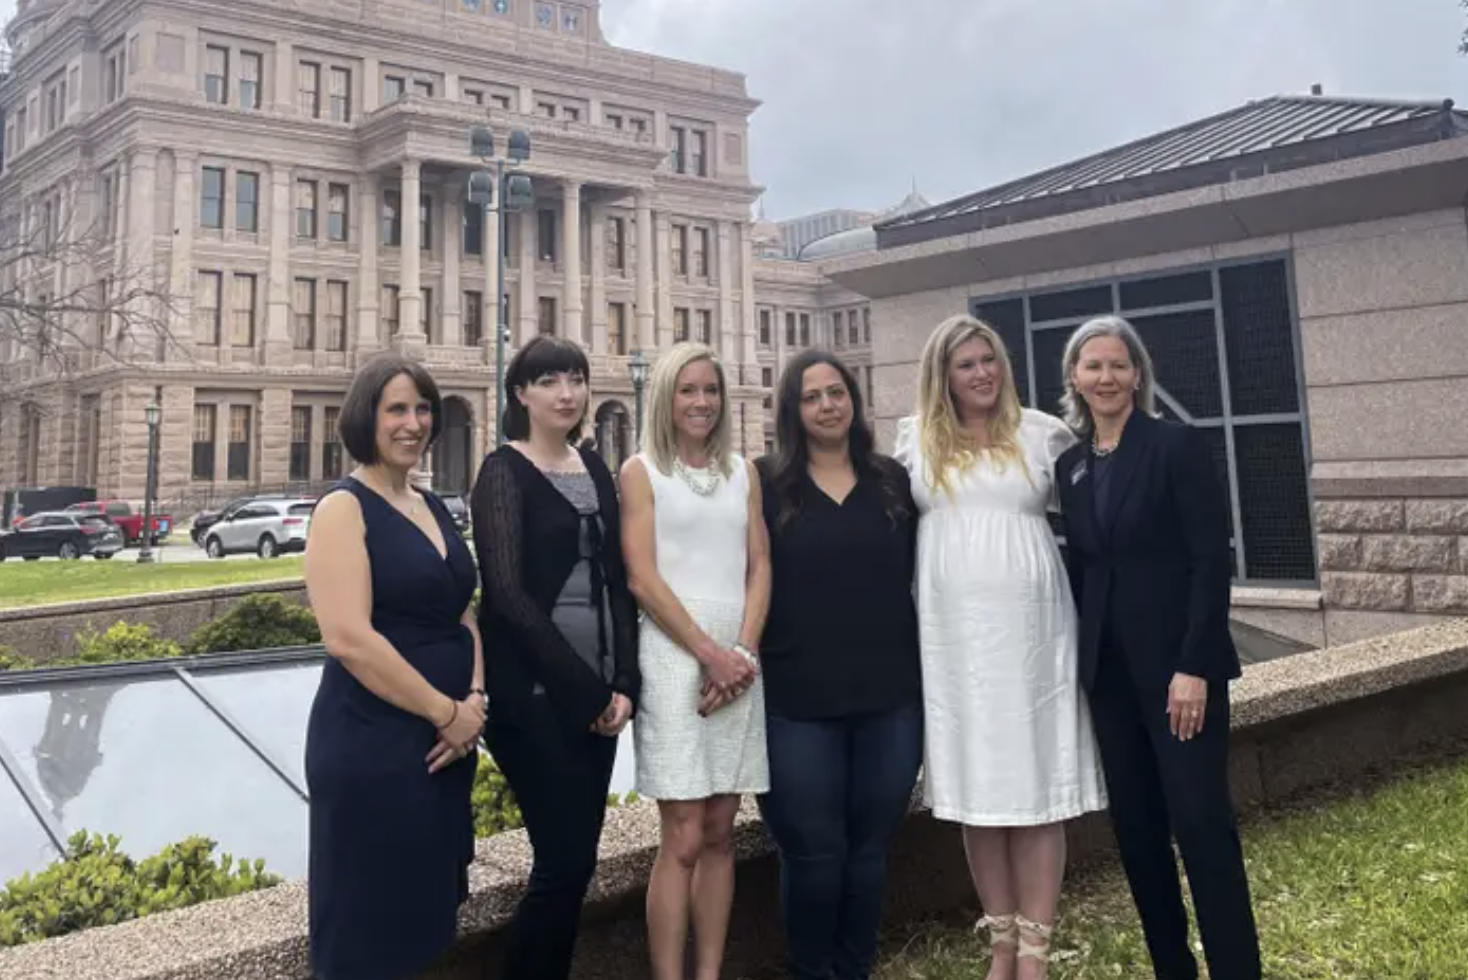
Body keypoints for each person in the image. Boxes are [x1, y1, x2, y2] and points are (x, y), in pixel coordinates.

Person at [893, 314, 1107, 980]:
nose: (982, 372)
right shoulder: (912, 443)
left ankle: (1036, 953)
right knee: (979, 790)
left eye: (989, 359)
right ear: (943, 375)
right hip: (955, 641)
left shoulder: (1044, 435)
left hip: (1034, 637)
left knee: (1036, 783)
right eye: (966, 364)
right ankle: (1002, 945)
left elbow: (1098, 523)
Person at [1054, 315, 1260, 980]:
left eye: (1118, 365)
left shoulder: (1176, 447)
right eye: (1093, 367)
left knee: (1201, 826)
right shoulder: (1071, 465)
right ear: (1075, 380)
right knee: (1138, 834)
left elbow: (1209, 560)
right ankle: (1173, 966)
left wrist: (1194, 665)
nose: (1106, 377)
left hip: (1179, 676)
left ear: (1136, 375)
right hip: (1109, 679)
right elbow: (1085, 570)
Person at [303, 355, 485, 980]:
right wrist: (446, 712)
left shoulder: (430, 505)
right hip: (375, 743)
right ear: (366, 418)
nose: (413, 423)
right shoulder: (342, 508)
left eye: (423, 409)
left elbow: (461, 613)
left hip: (444, 743)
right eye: (397, 409)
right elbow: (349, 638)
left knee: (423, 925)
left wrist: (476, 700)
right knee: (368, 931)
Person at [470, 336, 641, 980]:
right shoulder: (503, 472)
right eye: (548, 381)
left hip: (600, 697)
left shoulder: (594, 468)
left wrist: (623, 682)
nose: (565, 393)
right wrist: (588, 694)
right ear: (521, 394)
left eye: (575, 378)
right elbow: (508, 597)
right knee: (562, 861)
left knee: (578, 864)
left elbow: (618, 580)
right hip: (536, 701)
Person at [755, 349, 924, 980]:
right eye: (811, 396)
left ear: (853, 400)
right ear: (793, 411)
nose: (827, 405)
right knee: (814, 854)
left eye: (837, 392)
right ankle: (811, 970)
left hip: (890, 697)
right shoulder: (765, 484)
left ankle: (854, 969)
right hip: (796, 702)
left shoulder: (891, 480)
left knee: (868, 851)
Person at [619, 342, 771, 980]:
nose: (701, 402)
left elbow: (760, 564)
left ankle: (709, 972)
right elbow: (642, 578)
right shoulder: (640, 470)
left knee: (719, 828)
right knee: (680, 833)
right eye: (688, 390)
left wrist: (741, 652)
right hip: (676, 652)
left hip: (738, 657)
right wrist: (708, 653)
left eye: (711, 390)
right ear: (665, 398)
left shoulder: (744, 471)